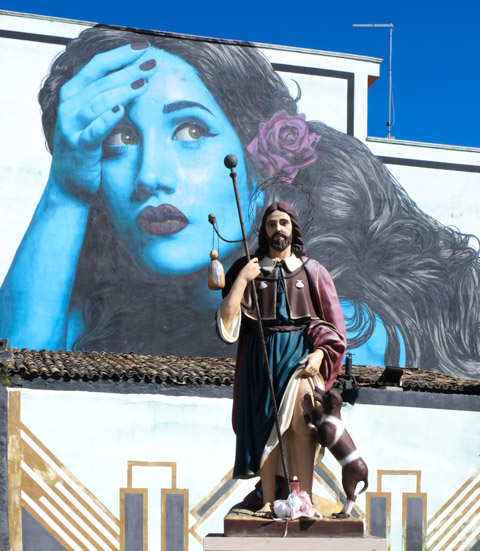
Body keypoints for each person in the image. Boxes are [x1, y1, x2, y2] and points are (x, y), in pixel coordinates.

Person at [0, 25, 479, 379]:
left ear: (258, 157)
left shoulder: (338, 305)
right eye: (120, 138)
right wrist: (66, 190)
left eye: (191, 130)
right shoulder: (110, 307)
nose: (150, 177)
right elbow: (15, 394)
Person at [217, 201, 347, 516]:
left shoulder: (313, 271)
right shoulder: (249, 269)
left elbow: (334, 326)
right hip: (261, 357)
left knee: (304, 425)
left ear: (293, 229)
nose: (278, 229)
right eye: (272, 224)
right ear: (264, 231)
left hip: (301, 356)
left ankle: (304, 497)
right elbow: (227, 323)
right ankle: (267, 501)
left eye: (284, 223)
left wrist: (320, 353)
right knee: (267, 426)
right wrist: (243, 279)